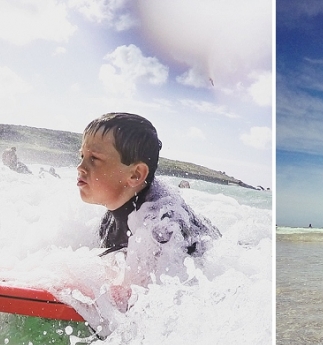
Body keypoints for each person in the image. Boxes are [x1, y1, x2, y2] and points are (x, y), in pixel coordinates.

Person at [77, 111, 220, 266]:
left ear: (136, 175)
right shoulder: (110, 222)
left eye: (95, 158)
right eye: (82, 156)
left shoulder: (161, 231)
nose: (80, 167)